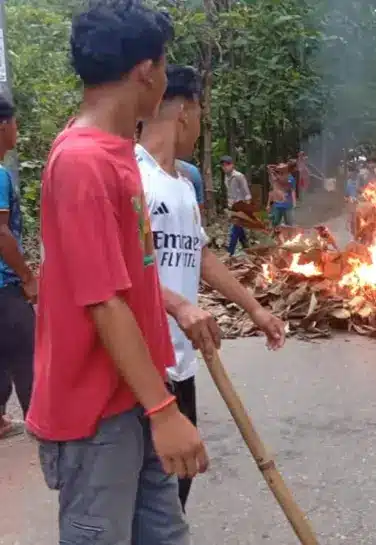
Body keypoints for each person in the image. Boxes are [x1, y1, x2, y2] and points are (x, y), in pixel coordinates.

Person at [26, 2, 205, 544]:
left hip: (136, 399)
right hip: (97, 416)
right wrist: (164, 409)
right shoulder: (82, 163)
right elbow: (103, 301)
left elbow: (127, 272)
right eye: (165, 62)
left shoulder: (117, 152)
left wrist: (177, 306)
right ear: (145, 71)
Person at [137, 64, 287, 510]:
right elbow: (119, 271)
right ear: (185, 111)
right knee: (146, 497)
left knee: (176, 491)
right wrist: (179, 306)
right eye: (201, 114)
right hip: (143, 367)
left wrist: (255, 309)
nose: (200, 129)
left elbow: (200, 255)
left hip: (182, 366)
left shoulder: (183, 185)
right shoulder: (130, 176)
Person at [0, 95, 36, 440]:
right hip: (3, 284)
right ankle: (43, 423)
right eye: (14, 123)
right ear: (3, 125)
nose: (17, 130)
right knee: (28, 350)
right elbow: (0, 231)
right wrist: (26, 276)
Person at [222, 155, 251, 255]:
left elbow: (246, 192)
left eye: (227, 165)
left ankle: (230, 252)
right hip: (232, 206)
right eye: (224, 165)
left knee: (234, 229)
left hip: (240, 207)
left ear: (232, 165)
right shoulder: (226, 177)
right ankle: (246, 246)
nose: (225, 167)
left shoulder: (239, 176)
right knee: (239, 229)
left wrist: (247, 208)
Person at [268, 163, 295, 227]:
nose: (280, 171)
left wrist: (274, 173)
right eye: (280, 169)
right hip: (277, 205)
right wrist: (270, 172)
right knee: (275, 223)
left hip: (287, 205)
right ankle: (274, 235)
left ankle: (289, 235)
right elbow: (273, 188)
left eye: (282, 169)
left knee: (289, 224)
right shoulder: (276, 178)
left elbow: (284, 182)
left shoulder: (290, 178)